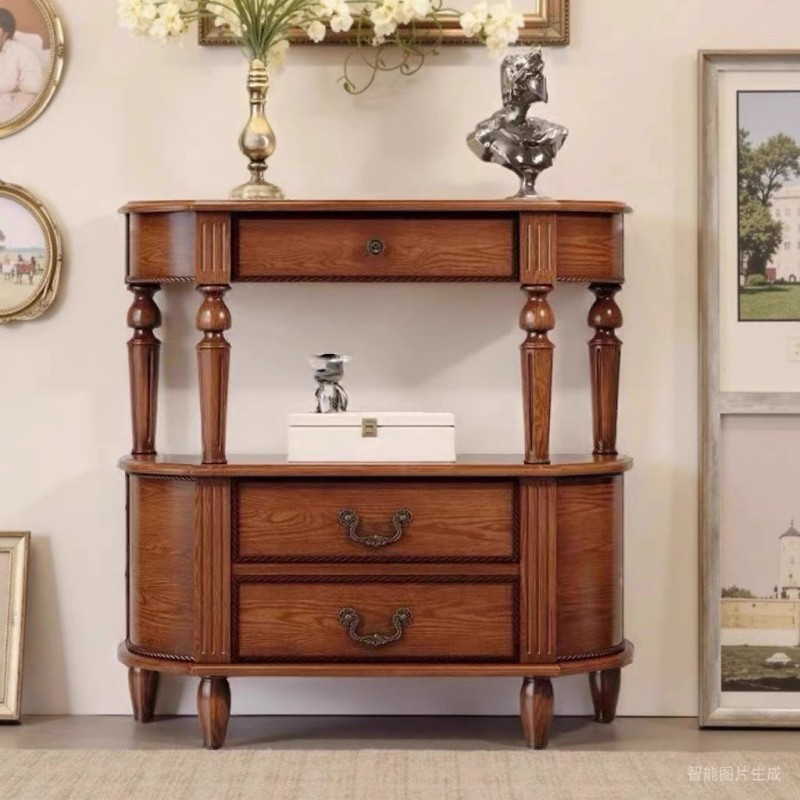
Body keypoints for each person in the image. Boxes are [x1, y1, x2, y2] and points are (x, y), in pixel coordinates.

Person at [0, 8, 44, 124]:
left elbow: (34, 85)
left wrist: (15, 87)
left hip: (11, 107)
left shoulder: (22, 53)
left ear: (5, 33)